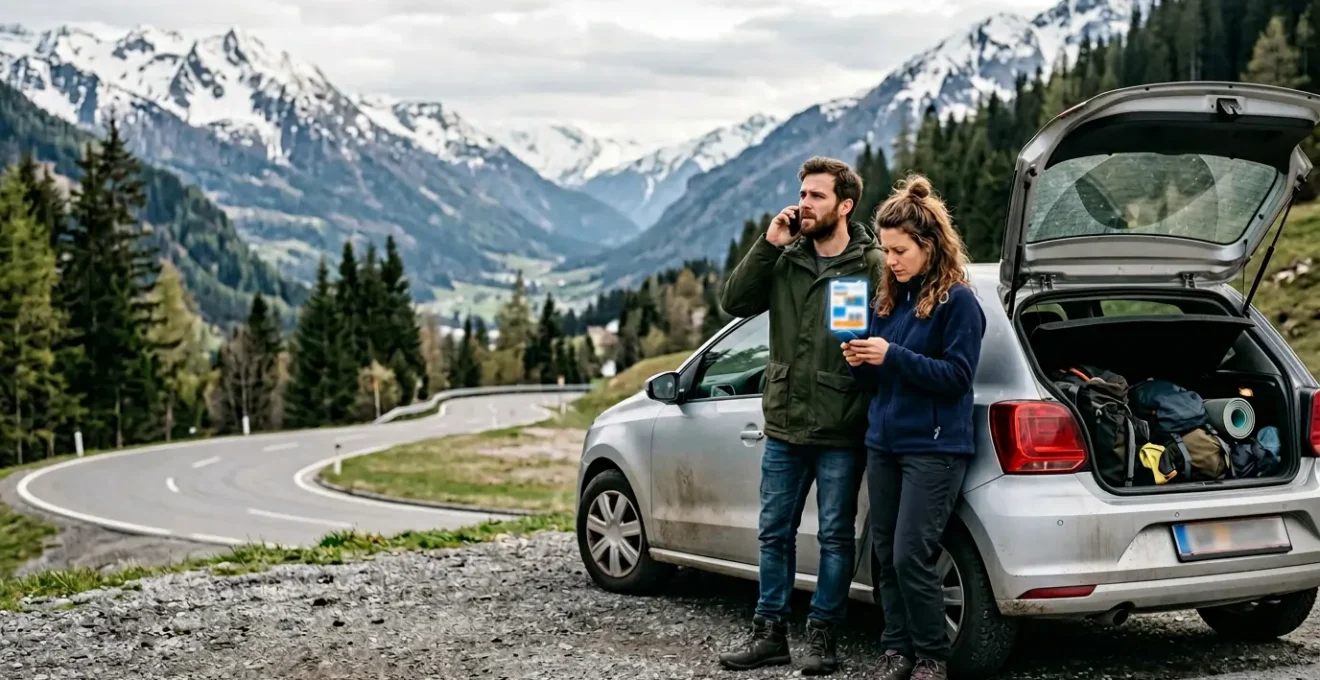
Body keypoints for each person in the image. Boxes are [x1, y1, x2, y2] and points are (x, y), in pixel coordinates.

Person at [717, 156, 883, 676]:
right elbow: (734, 301)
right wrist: (768, 245)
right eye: (802, 194)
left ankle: (823, 636)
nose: (803, 204)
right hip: (785, 424)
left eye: (816, 196)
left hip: (841, 426)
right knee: (774, 533)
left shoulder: (870, 265)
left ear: (845, 205)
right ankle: (769, 633)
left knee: (835, 536)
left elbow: (890, 333)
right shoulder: (785, 259)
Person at [842, 175, 985, 680]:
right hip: (884, 443)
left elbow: (957, 378)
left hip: (935, 448)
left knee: (910, 556)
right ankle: (895, 650)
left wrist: (892, 356)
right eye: (886, 251)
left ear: (929, 244)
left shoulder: (959, 302)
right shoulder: (889, 300)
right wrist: (859, 360)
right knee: (884, 554)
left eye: (900, 251)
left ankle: (930, 658)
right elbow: (876, 380)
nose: (892, 261)